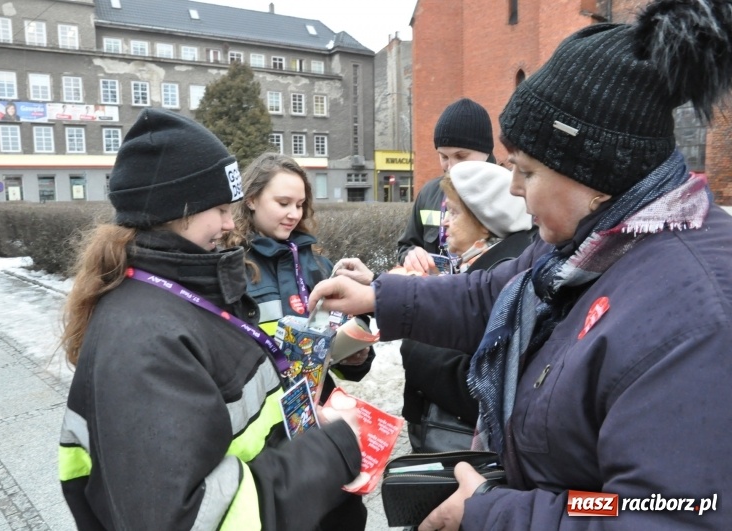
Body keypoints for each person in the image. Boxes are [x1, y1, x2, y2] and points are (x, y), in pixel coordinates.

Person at [311, 1, 732, 528]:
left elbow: (663, 513)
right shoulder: (587, 246)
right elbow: (494, 294)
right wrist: (379, 297)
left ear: (593, 174)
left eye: (527, 172)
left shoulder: (693, 315)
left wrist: (492, 512)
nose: (512, 188)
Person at [57, 109, 362, 531]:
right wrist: (328, 453)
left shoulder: (188, 294)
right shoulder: (144, 339)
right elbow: (184, 516)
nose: (227, 223)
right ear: (173, 211)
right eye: (218, 208)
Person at [222, 152, 374, 531]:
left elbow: (331, 352)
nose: (293, 213)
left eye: (300, 204)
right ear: (252, 199)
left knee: (342, 519)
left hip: (320, 418)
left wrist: (354, 354)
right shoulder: (231, 265)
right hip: (264, 432)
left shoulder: (316, 264)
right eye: (282, 203)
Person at [400, 161, 535, 453]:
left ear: (485, 223)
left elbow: (479, 387)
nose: (444, 221)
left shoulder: (501, 279)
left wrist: (414, 343)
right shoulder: (481, 266)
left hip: (463, 452)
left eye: (454, 212)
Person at [397, 98, 495, 274]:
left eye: (461, 156)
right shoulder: (429, 193)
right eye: (443, 156)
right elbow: (406, 245)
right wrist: (411, 254)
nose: (451, 167)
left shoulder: (512, 194)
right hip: (433, 294)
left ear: (486, 151)